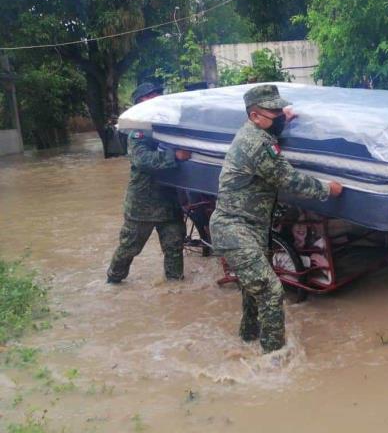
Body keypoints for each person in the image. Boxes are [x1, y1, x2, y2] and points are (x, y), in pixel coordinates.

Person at [209, 84, 343, 353]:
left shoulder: (257, 131)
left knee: (252, 290)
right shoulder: (257, 143)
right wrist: (328, 189)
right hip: (234, 228)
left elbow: (272, 140)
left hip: (252, 227)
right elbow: (288, 179)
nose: (280, 115)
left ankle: (247, 340)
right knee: (271, 289)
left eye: (280, 110)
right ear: (255, 115)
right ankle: (274, 358)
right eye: (274, 112)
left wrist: (282, 119)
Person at [107, 82, 192, 284]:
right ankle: (113, 280)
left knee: (174, 246)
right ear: (141, 103)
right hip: (143, 204)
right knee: (129, 247)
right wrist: (176, 155)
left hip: (169, 201)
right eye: (151, 96)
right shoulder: (137, 131)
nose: (157, 98)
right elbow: (142, 160)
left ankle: (175, 288)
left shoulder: (170, 126)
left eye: (158, 94)